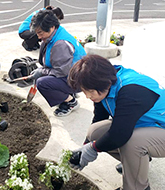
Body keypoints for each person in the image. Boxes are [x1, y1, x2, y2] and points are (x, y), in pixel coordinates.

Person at [68, 54, 165, 190]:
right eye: (84, 92)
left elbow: (120, 134)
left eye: (89, 91)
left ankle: (137, 187)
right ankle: (135, 163)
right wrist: (85, 146)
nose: (88, 96)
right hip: (148, 126)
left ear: (104, 83)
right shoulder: (104, 84)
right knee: (95, 133)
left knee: (133, 142)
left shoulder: (131, 90)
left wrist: (93, 148)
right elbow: (99, 118)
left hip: (161, 129)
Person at [29, 10, 86, 117]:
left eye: (40, 32)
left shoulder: (60, 44)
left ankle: (71, 102)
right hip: (74, 73)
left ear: (51, 27)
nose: (39, 36)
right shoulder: (57, 32)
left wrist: (41, 71)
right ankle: (67, 92)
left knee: (42, 83)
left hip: (79, 80)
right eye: (37, 33)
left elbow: (61, 71)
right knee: (44, 75)